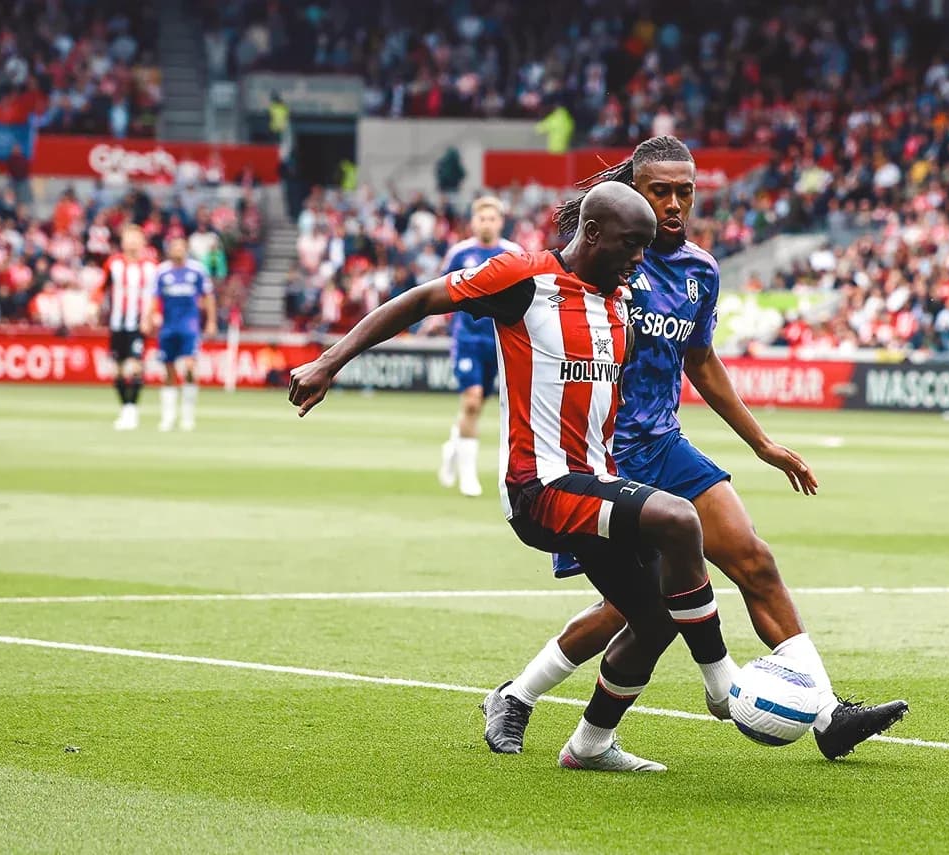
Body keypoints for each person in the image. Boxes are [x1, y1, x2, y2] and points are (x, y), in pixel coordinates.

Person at [481, 136, 908, 761]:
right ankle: (519, 697)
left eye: (686, 191)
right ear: (633, 192)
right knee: (633, 611)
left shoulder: (700, 271)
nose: (675, 204)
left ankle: (825, 712)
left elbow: (700, 360)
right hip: (603, 459)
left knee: (753, 559)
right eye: (661, 191)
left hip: (667, 444)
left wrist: (763, 443)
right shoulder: (606, 261)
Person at [289, 183, 737, 773]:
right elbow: (421, 300)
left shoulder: (622, 300)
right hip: (542, 487)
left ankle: (585, 743)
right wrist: (329, 360)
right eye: (631, 245)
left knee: (651, 621)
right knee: (680, 519)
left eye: (646, 247)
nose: (638, 260)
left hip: (596, 481)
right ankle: (725, 686)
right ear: (593, 233)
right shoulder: (524, 279)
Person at [437, 197, 523, 497]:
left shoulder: (514, 253)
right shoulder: (460, 253)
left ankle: (454, 445)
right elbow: (440, 290)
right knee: (472, 400)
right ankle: (468, 476)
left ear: (500, 222)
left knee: (481, 403)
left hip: (500, 341)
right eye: (481, 218)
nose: (486, 223)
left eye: (492, 218)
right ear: (473, 222)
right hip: (468, 339)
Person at [147, 236, 217, 432]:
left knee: (189, 368)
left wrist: (210, 321)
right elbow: (154, 298)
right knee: (168, 371)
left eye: (180, 246)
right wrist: (150, 317)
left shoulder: (197, 270)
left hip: (190, 327)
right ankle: (168, 417)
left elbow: (208, 296)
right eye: (174, 246)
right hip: (168, 327)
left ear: (186, 249)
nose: (177, 250)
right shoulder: (162, 271)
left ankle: (187, 416)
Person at [104, 225, 157, 431]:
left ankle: (132, 410)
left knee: (135, 366)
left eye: (136, 238)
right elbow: (102, 287)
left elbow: (156, 295)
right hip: (117, 324)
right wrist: (94, 304)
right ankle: (125, 407)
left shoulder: (151, 267)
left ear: (143, 242)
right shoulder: (114, 263)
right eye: (128, 238)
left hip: (138, 323)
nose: (132, 242)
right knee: (117, 371)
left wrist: (153, 315)